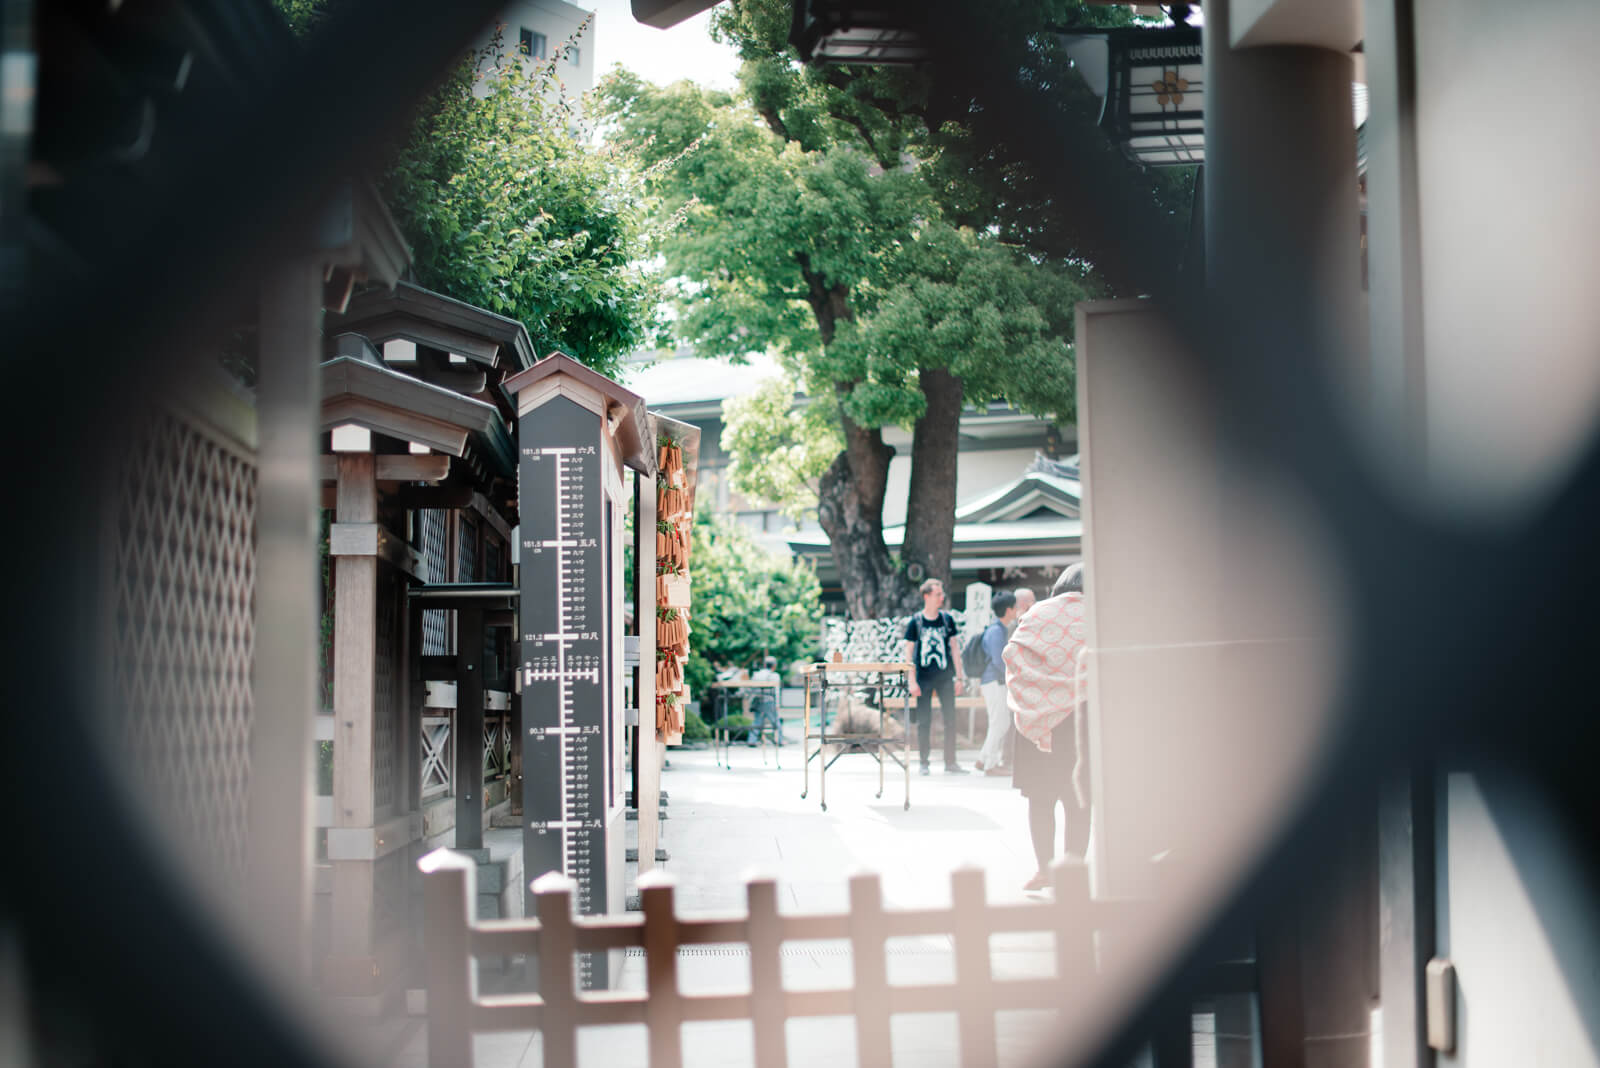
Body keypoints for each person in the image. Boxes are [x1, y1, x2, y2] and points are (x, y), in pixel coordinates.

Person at [1004, 564, 1090, 892]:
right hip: (1081, 720)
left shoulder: (1037, 612)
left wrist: (1040, 694)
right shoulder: (1097, 613)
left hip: (1037, 720)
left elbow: (1013, 656)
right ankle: (1074, 871)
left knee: (1041, 801)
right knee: (1079, 800)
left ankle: (1044, 870)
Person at [901, 577, 968, 774]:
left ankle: (950, 762)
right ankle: (924, 762)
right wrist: (911, 680)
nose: (942, 597)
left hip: (945, 676)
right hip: (923, 677)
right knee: (924, 720)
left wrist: (960, 677)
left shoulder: (947, 620)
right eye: (938, 594)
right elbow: (908, 653)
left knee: (950, 719)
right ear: (927, 596)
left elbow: (955, 649)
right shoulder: (916, 622)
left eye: (942, 594)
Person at [973, 591, 1018, 775]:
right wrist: (1011, 676)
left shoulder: (997, 630)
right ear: (1008, 610)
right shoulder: (996, 631)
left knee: (1000, 722)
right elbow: (999, 660)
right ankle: (989, 764)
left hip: (993, 681)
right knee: (1000, 723)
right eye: (1015, 607)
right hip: (994, 681)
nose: (1016, 611)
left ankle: (984, 759)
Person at [747, 655, 783, 746]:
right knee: (775, 721)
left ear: (764, 664)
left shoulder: (756, 675)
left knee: (757, 721)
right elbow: (776, 691)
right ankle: (779, 740)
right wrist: (778, 704)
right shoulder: (775, 675)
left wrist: (750, 700)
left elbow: (751, 689)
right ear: (774, 665)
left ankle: (751, 740)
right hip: (769, 701)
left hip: (757, 700)